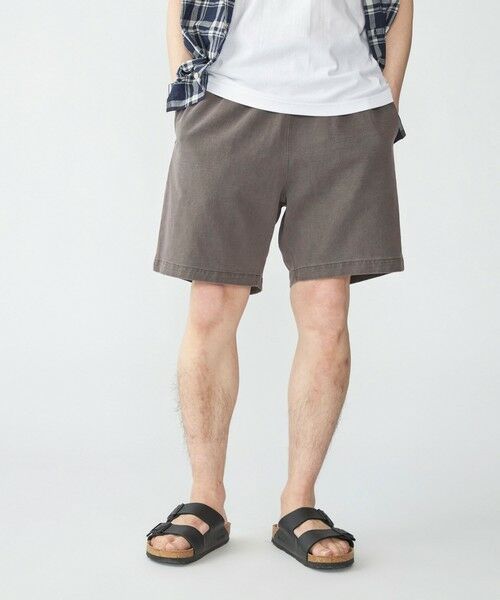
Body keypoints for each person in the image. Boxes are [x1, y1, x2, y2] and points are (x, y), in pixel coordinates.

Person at [146, 0, 413, 569]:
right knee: (212, 304)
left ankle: (299, 503)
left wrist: (387, 102)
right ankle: (205, 499)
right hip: (227, 102)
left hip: (347, 110)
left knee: (327, 309)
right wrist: (187, 91)